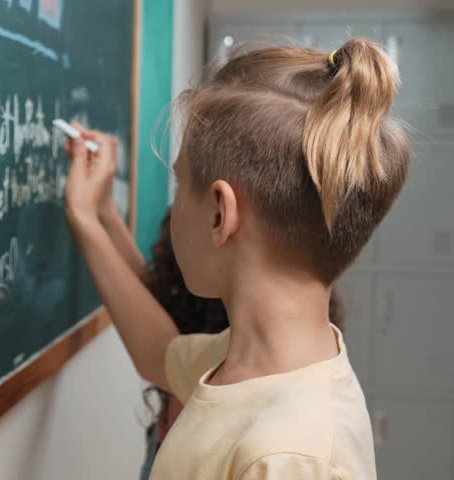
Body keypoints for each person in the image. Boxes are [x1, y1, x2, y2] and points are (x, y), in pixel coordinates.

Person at [64, 37, 410, 479]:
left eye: (180, 183)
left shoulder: (292, 458)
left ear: (218, 213)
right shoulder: (248, 359)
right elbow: (159, 354)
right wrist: (92, 218)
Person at [136, 211, 346, 480]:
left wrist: (88, 217)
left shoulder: (289, 453)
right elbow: (156, 343)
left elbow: (155, 348)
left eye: (182, 186)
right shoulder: (297, 354)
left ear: (220, 217)